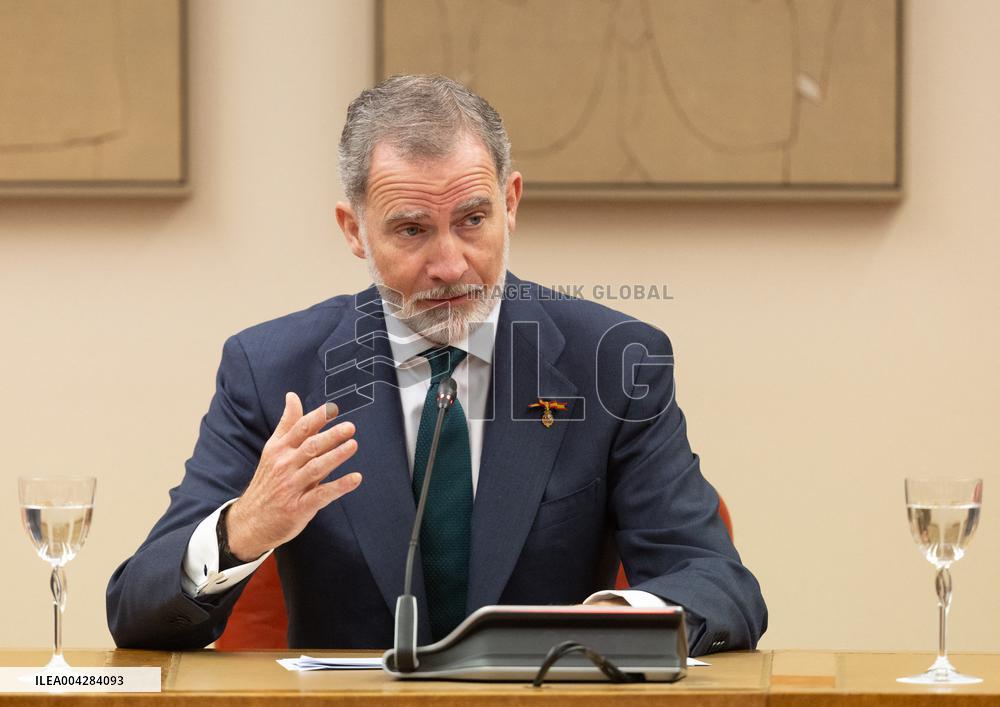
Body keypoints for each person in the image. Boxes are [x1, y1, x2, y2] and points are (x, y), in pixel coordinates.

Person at [106, 75, 767, 655]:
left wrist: (611, 623)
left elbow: (718, 583)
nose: (450, 264)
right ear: (353, 229)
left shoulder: (612, 360)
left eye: (473, 219)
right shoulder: (274, 369)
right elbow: (136, 607)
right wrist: (242, 527)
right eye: (412, 230)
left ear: (510, 203)